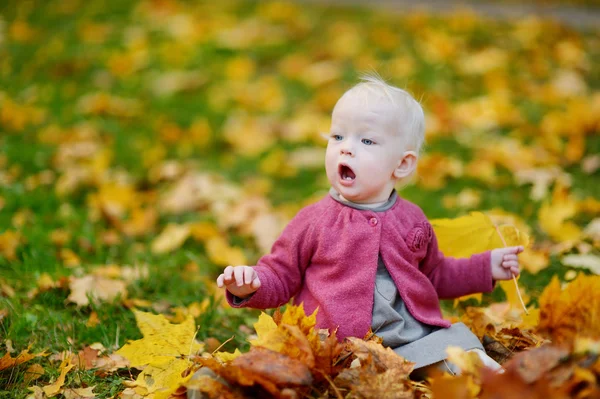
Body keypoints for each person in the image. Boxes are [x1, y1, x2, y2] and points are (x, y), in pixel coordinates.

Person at [216, 74, 523, 375]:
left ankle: (485, 376)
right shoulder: (313, 221)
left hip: (409, 340)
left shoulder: (412, 219)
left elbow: (435, 275)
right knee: (293, 370)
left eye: (366, 140)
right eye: (337, 137)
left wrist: (486, 268)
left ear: (402, 164)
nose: (346, 148)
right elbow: (281, 274)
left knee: (459, 346)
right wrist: (251, 284)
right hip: (338, 346)